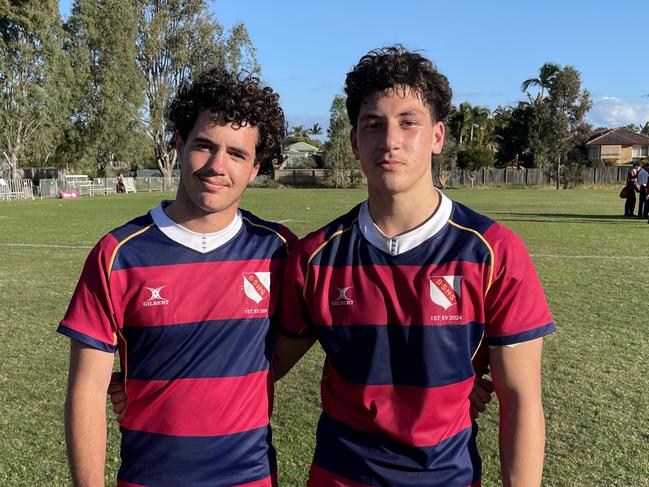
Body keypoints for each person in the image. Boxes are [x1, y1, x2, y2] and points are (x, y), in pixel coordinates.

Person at [273, 46, 555, 487]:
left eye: (409, 122)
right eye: (373, 125)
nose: (390, 140)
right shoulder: (315, 257)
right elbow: (258, 368)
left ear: (437, 136)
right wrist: (132, 382)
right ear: (354, 141)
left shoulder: (493, 251)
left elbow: (521, 400)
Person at [59, 67, 295, 487]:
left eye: (237, 154)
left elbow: (319, 328)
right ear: (179, 144)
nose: (218, 166)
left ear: (256, 167)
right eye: (204, 145)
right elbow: (87, 393)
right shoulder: (118, 255)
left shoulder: (278, 249)